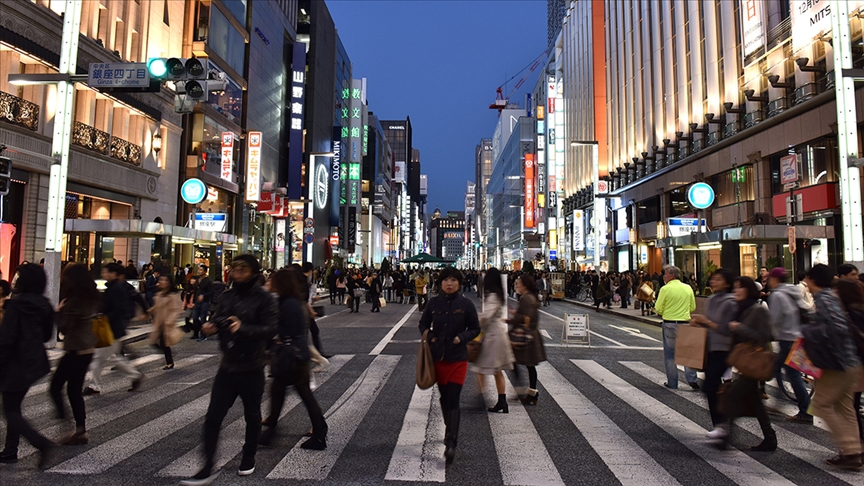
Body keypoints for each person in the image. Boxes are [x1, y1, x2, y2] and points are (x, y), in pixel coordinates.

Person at [181, 255, 279, 485]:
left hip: (252, 365)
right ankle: (207, 465)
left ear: (253, 272)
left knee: (252, 415)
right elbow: (215, 319)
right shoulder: (227, 296)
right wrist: (209, 327)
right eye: (234, 269)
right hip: (228, 365)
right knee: (213, 416)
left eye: (242, 270)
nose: (237, 274)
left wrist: (242, 328)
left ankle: (248, 456)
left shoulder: (265, 299)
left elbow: (270, 328)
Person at [259, 268, 327, 450]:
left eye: (273, 281)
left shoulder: (288, 304)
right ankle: (272, 430)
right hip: (295, 354)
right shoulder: (291, 301)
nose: (270, 283)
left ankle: (319, 432)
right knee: (281, 392)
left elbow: (281, 329)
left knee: (299, 394)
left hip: (292, 356)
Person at [418, 267, 480, 465]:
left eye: (453, 280)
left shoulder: (466, 304)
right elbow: (423, 324)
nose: (449, 283)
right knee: (445, 398)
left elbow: (475, 328)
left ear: (459, 283)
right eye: (446, 280)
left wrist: (461, 338)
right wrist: (432, 336)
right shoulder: (433, 303)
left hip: (458, 358)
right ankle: (449, 427)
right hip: (438, 358)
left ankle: (451, 442)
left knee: (453, 398)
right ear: (440, 283)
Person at [804, 264, 863, 471]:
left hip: (837, 364)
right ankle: (854, 451)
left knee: (821, 405)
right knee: (845, 407)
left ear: (811, 279)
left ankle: (850, 450)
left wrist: (811, 331)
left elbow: (837, 327)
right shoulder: (832, 297)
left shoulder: (825, 299)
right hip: (850, 362)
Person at [0, 264, 57, 467]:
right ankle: (10, 450)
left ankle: (41, 443)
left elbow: (6, 339)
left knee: (10, 410)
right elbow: (47, 335)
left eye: (18, 276)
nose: (14, 279)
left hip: (14, 362)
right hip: (34, 361)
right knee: (13, 406)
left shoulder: (15, 305)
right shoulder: (45, 304)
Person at [716, 276, 776, 451]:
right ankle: (770, 438)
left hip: (755, 362)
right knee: (755, 401)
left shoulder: (758, 309)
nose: (736, 291)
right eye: (734, 287)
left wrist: (739, 328)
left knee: (733, 395)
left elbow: (766, 335)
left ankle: (726, 436)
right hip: (744, 361)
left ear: (748, 289)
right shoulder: (739, 309)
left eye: (739, 287)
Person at [50, 264, 100, 446]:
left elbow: (65, 327)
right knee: (74, 390)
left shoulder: (73, 301)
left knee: (56, 387)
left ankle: (68, 425)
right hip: (88, 349)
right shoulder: (92, 297)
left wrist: (58, 312)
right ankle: (80, 430)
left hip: (75, 349)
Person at [689, 268, 737, 439]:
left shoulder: (731, 302)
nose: (713, 282)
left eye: (718, 279)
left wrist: (705, 321)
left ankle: (723, 423)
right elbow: (711, 324)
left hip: (725, 348)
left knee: (710, 385)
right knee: (711, 386)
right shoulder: (711, 299)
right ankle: (721, 424)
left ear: (727, 282)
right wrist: (699, 323)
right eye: (713, 279)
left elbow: (726, 329)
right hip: (711, 348)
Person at [83, 263, 144, 395]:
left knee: (100, 357)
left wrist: (103, 317)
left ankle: (94, 386)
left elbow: (118, 310)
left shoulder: (116, 289)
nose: (104, 274)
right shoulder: (112, 287)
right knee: (111, 357)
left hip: (112, 329)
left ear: (114, 274)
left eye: (106, 272)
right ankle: (135, 375)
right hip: (111, 328)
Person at [763, 267, 812, 423]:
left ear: (775, 279)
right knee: (789, 372)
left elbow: (774, 319)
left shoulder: (777, 296)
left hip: (786, 339)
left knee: (790, 373)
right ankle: (782, 404)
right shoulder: (792, 291)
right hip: (797, 337)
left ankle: (805, 410)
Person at [470, 268, 515, 414]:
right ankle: (501, 401)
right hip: (496, 335)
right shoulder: (499, 295)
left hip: (492, 337)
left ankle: (481, 398)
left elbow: (486, 317)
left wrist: (474, 320)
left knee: (479, 367)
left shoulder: (493, 296)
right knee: (496, 370)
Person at [654, 265, 698, 390]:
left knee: (670, 355)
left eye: (665, 274)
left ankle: (672, 383)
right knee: (687, 353)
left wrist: (665, 311)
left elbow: (658, 308)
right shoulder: (687, 288)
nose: (663, 276)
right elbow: (692, 307)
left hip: (670, 323)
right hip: (685, 323)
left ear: (672, 275)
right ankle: (692, 379)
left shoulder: (665, 289)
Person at [509, 274, 547, 406]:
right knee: (529, 365)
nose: (516, 286)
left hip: (527, 336)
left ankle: (525, 391)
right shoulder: (529, 297)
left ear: (524, 286)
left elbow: (526, 317)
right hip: (531, 335)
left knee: (515, 360)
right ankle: (531, 393)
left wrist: (511, 318)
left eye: (518, 284)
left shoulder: (527, 298)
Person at [835, 279, 864, 448]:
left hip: (855, 365)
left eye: (837, 291)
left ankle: (855, 447)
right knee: (850, 405)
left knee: (849, 407)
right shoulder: (857, 310)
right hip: (857, 364)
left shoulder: (850, 315)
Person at [148, 274, 183, 370]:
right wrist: (149, 312)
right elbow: (156, 306)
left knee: (164, 343)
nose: (162, 282)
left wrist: (170, 320)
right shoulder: (159, 294)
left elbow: (175, 310)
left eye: (165, 280)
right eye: (161, 280)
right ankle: (168, 358)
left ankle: (170, 362)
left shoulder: (172, 295)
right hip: (159, 321)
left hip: (167, 323)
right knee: (153, 341)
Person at [192, 265, 213, 342]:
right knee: (194, 317)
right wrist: (194, 300)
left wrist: (203, 295)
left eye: (201, 270)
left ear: (205, 271)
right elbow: (195, 291)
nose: (199, 271)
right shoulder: (197, 280)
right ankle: (196, 333)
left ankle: (203, 335)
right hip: (197, 302)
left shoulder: (208, 281)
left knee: (203, 318)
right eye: (199, 269)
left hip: (205, 302)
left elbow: (211, 292)